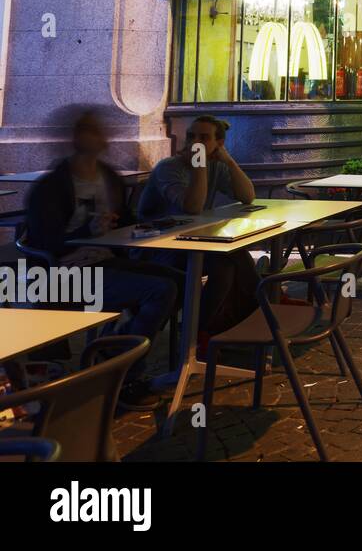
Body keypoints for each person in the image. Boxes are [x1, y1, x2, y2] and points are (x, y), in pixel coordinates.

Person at [24, 109, 180, 410]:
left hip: (106, 262)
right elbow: (45, 240)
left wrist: (152, 227)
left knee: (178, 280)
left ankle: (114, 353)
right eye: (91, 130)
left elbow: (125, 221)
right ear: (75, 137)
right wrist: (88, 229)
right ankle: (122, 373)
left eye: (100, 130)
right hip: (66, 274)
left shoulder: (109, 177)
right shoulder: (52, 187)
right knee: (160, 290)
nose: (99, 136)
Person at [137, 115, 260, 342]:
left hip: (189, 244)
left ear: (218, 144)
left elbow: (247, 196)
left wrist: (229, 161)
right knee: (229, 259)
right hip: (156, 248)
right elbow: (192, 207)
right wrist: (200, 164)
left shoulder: (216, 166)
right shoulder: (169, 168)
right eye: (191, 136)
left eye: (204, 138)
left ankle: (198, 330)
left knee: (230, 259)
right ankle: (256, 308)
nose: (195, 142)